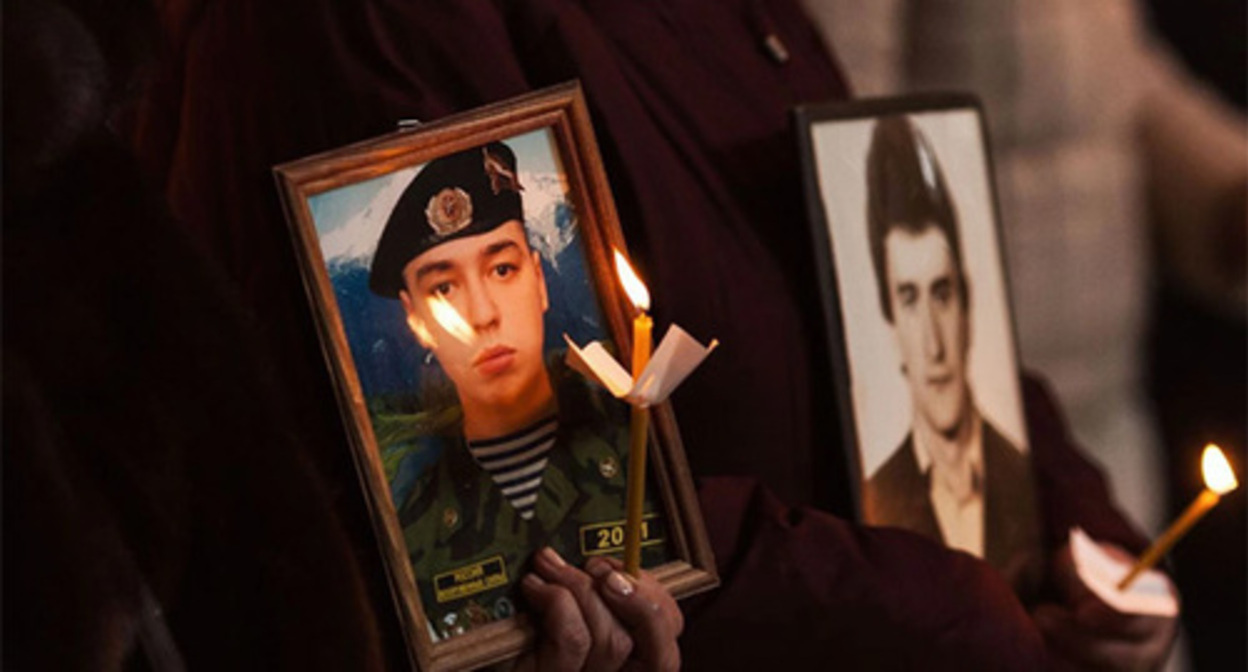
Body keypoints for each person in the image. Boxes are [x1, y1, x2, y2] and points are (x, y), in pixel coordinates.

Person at [367, 140, 668, 640]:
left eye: (502, 269)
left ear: (539, 281)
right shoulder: (406, 515)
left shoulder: (638, 438)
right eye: (444, 288)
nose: (483, 314)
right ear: (416, 321)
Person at [860, 115, 1041, 592]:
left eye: (942, 295)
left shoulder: (1019, 472)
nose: (933, 344)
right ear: (891, 323)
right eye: (909, 299)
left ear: (967, 304)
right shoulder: (876, 497)